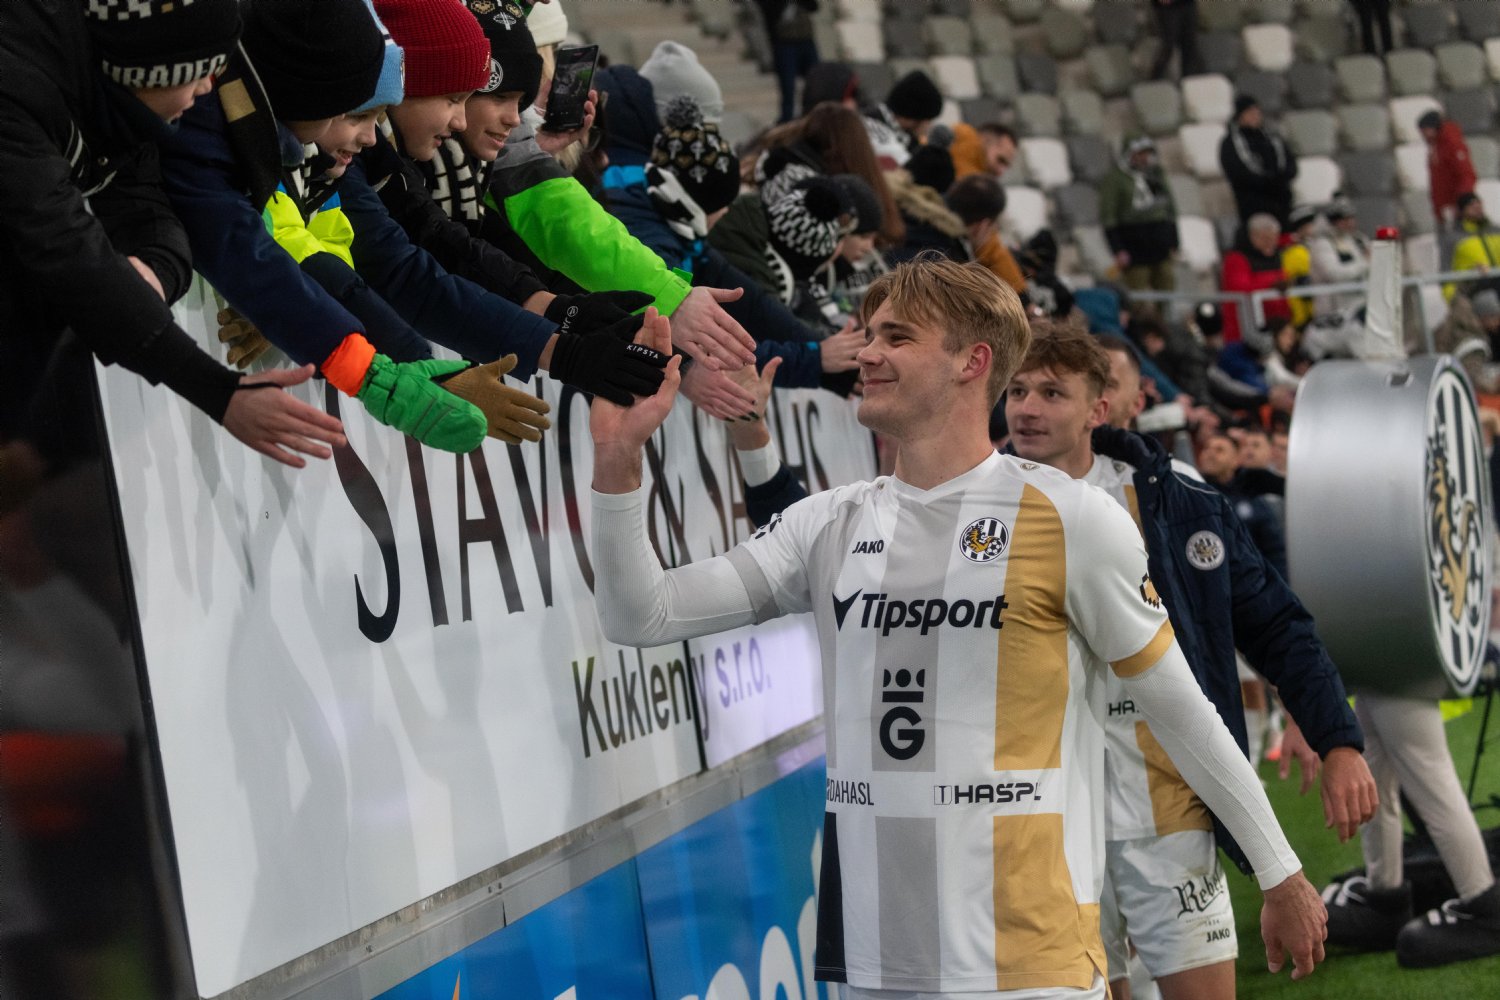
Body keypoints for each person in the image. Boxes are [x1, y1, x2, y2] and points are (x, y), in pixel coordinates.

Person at [588, 258, 1329, 998]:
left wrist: (1280, 873)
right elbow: (641, 614)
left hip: (1031, 964)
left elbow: (1181, 710)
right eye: (870, 335)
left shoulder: (1072, 517)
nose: (868, 354)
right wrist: (618, 462)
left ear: (972, 363)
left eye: (897, 337)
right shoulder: (827, 522)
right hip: (872, 964)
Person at [1006, 329, 1373, 1000]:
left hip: (1167, 805)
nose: (1028, 408)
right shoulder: (976, 512)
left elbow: (1275, 624)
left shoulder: (1177, 500)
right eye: (1018, 391)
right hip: (1043, 817)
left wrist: (1336, 738)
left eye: (1052, 393)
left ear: (1100, 408)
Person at [0, 0, 347, 470]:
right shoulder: (17, 86)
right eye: (201, 71)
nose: (208, 88)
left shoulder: (115, 89)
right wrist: (220, 392)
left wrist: (155, 274)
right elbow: (67, 252)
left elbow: (148, 210)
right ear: (156, 65)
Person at [1324, 693, 1500, 968]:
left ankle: (1484, 907)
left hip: (1402, 675)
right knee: (1378, 761)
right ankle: (1386, 899)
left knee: (1427, 774)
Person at [1099, 135, 1179, 292]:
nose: (1144, 158)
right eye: (1140, 153)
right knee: (1138, 293)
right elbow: (1108, 218)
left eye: (1147, 153)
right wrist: (1118, 249)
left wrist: (1174, 241)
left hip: (1160, 241)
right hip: (1134, 244)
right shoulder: (1115, 179)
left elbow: (1170, 208)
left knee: (1167, 286)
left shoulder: (1156, 173)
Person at [1220, 96, 1297, 228]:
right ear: (1240, 116)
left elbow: (1290, 165)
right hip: (1253, 204)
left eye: (1257, 112)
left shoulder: (1272, 138)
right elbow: (1240, 174)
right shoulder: (1230, 143)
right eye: (1249, 113)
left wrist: (1279, 179)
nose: (1255, 116)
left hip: (1282, 201)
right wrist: (1268, 182)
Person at [1221, 214, 1289, 344]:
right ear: (1252, 236)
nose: (1270, 243)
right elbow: (1239, 288)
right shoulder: (1236, 259)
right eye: (1265, 238)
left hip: (1277, 326)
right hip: (1246, 328)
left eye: (1273, 238)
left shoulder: (1277, 256)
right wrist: (1271, 283)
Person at [752, 0, 819, 123]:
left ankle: (814, 113)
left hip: (805, 40)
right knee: (788, 86)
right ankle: (787, 118)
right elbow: (768, 12)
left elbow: (814, 6)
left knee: (815, 80)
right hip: (785, 43)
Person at [863, 69, 943, 167]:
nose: (930, 126)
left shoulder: (905, 137)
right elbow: (907, 167)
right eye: (928, 119)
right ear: (913, 116)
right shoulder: (872, 128)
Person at [1308, 196, 1370, 315]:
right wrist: (1365, 263)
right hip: (1334, 312)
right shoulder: (1323, 244)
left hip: (1361, 306)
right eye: (1344, 219)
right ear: (1333, 221)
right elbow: (1334, 274)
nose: (1349, 223)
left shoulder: (1359, 240)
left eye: (1351, 218)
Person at [1420, 110, 1476, 232]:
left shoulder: (1452, 144)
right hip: (1445, 210)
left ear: (1432, 128)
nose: (1423, 136)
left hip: (1456, 210)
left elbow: (1466, 175)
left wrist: (1461, 204)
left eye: (1424, 131)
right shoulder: (1435, 147)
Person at [1150, 0, 1204, 80]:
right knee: (1167, 48)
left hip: (1188, 4)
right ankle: (1154, 81)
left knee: (1190, 47)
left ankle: (1187, 81)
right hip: (1167, 8)